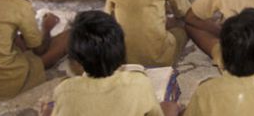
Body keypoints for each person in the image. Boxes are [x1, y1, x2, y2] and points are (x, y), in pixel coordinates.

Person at [50, 11, 179, 116]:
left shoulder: (64, 91)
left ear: (76, 61)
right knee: (170, 108)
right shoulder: (139, 83)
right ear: (122, 52)